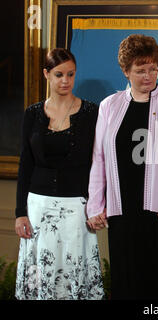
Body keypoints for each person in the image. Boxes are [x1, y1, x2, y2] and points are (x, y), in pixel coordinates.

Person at [86, 34, 158, 300]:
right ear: (125, 71)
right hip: (122, 215)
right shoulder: (109, 106)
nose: (149, 76)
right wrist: (94, 205)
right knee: (127, 287)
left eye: (153, 69)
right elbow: (99, 158)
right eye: (140, 70)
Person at [14, 48, 104, 300]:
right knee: (41, 278)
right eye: (59, 74)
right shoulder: (32, 113)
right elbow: (25, 164)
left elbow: (99, 163)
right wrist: (20, 212)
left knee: (75, 278)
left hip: (78, 208)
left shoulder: (91, 113)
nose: (65, 80)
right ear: (46, 74)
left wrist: (97, 204)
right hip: (37, 208)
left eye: (71, 74)